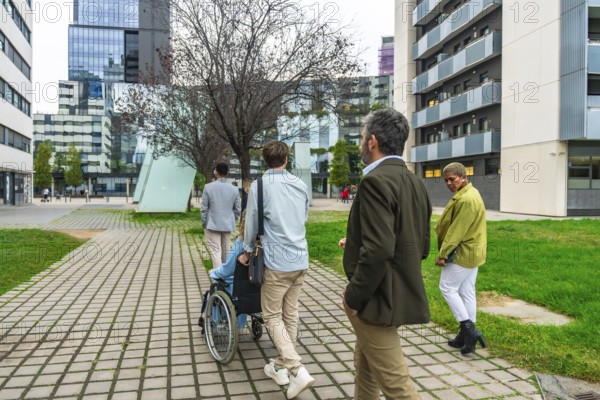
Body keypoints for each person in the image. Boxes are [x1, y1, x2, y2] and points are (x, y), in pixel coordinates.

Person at [338, 108, 431, 400]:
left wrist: (353, 296)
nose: (360, 144)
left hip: (375, 299)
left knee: (397, 386)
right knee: (365, 367)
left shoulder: (374, 181)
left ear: (373, 141)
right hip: (398, 292)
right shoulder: (415, 181)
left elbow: (379, 249)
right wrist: (355, 243)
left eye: (362, 138)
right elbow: (422, 244)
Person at [239, 140, 314, 399]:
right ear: (286, 159)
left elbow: (251, 222)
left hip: (276, 260)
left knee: (272, 315)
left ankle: (296, 368)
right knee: (289, 314)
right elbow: (303, 217)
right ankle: (280, 366)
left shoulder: (259, 186)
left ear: (265, 160)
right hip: (300, 257)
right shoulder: (301, 185)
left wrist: (247, 250)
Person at [435, 162, 487, 355]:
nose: (448, 183)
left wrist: (443, 255)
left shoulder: (466, 200)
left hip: (463, 252)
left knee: (447, 288)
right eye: (446, 180)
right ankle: (466, 337)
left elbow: (457, 231)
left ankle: (469, 330)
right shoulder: (470, 193)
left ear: (463, 177)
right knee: (466, 291)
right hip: (474, 251)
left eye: (452, 179)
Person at [208, 210, 249, 329]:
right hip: (260, 287)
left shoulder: (242, 243)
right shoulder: (269, 241)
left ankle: (217, 321)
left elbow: (227, 269)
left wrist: (214, 272)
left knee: (217, 285)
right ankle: (240, 323)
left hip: (240, 288)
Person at [201, 163, 242, 268]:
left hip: (212, 224)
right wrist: (233, 219)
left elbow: (204, 208)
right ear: (227, 173)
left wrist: (204, 222)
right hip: (227, 224)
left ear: (216, 172)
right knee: (226, 251)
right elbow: (237, 209)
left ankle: (218, 279)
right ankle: (227, 277)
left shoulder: (208, 187)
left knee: (215, 252)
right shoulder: (234, 189)